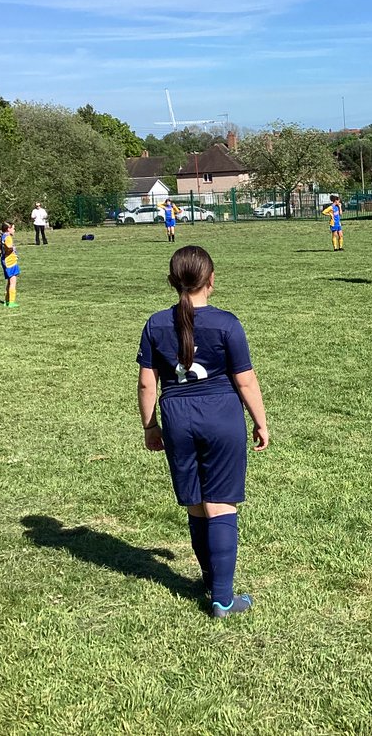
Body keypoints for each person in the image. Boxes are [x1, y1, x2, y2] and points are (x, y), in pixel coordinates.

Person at [137, 245, 269, 618]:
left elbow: (148, 385)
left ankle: (211, 580)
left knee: (197, 502)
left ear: (171, 282)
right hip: (221, 416)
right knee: (221, 502)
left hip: (177, 418)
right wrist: (260, 421)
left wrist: (150, 425)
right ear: (211, 281)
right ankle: (223, 599)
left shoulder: (155, 324)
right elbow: (245, 381)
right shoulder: (227, 323)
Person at [0, 221, 20, 307]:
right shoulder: (8, 237)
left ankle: (6, 301)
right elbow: (9, 247)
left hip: (5, 261)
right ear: (8, 229)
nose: (14, 230)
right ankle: (11, 302)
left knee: (9, 282)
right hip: (10, 261)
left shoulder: (2, 236)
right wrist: (10, 249)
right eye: (13, 228)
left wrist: (2, 250)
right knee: (13, 282)